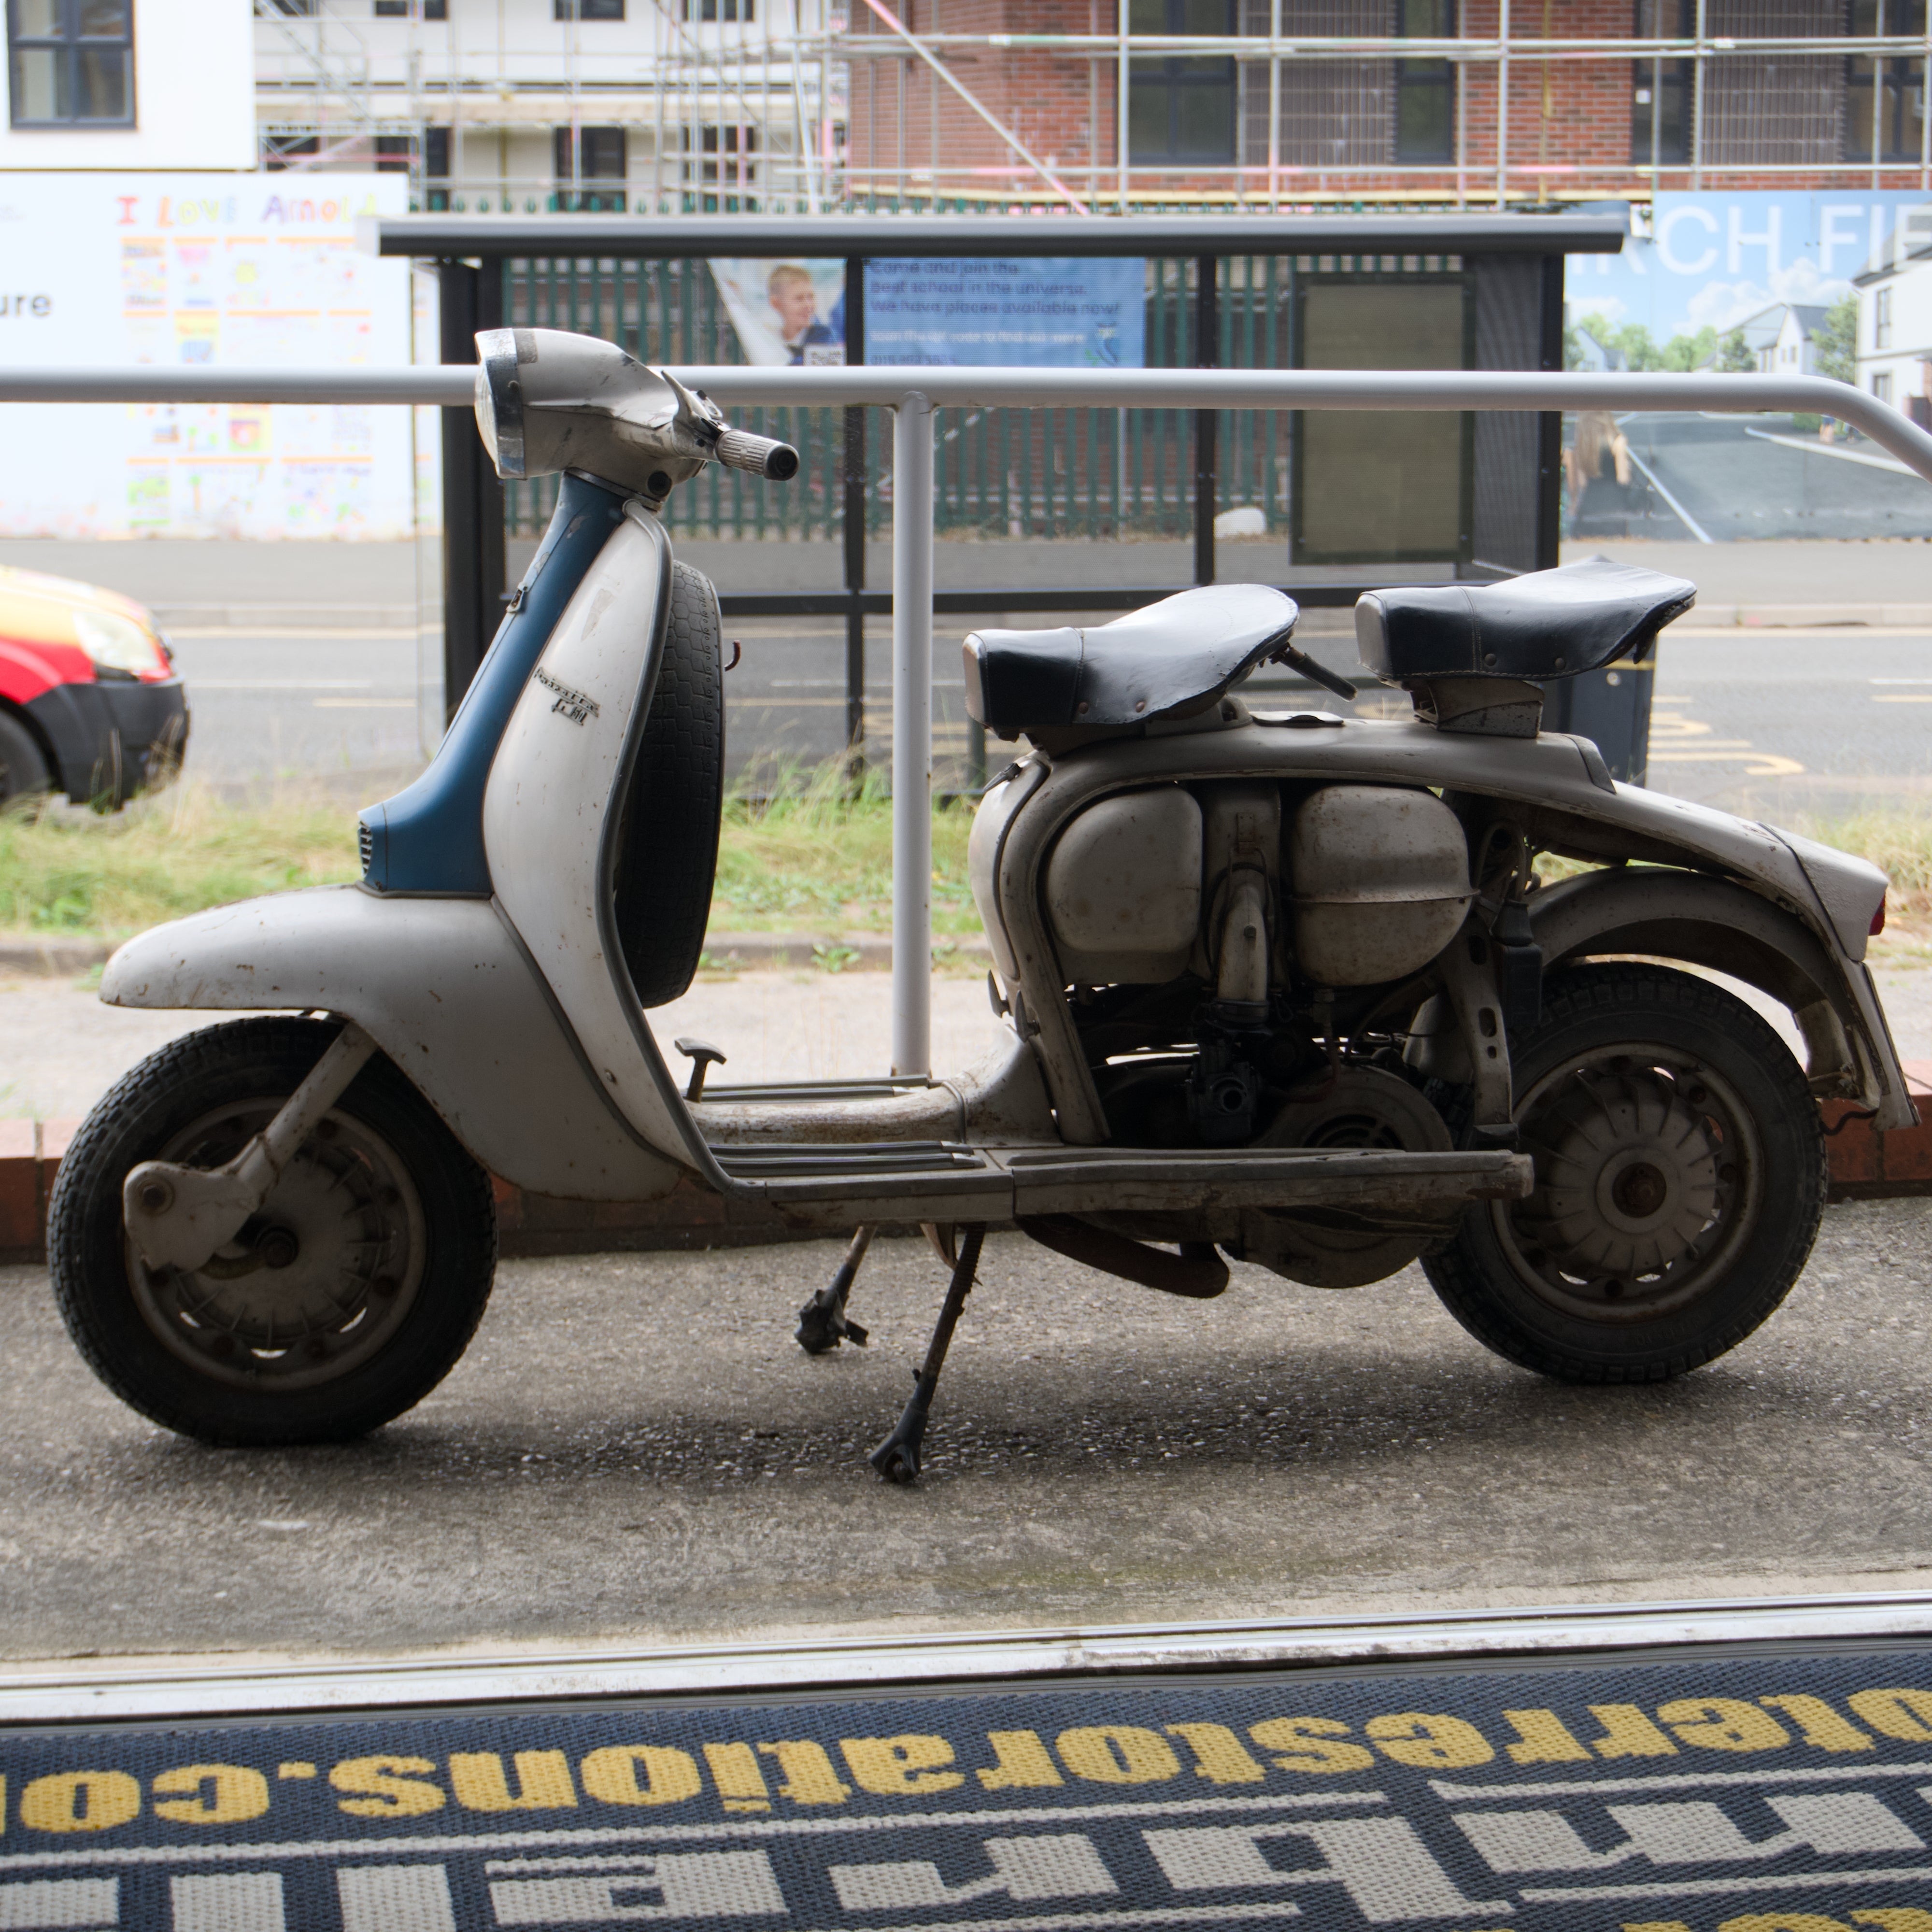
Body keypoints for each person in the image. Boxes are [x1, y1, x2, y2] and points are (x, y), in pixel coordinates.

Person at [767, 264, 839, 365]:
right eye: (799, 299)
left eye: (811, 297)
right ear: (776, 304)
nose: (808, 305)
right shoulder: (770, 339)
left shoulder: (825, 336)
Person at [1565, 409, 1632, 519]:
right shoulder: (1617, 442)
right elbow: (1623, 479)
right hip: (1615, 506)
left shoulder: (1581, 447)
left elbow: (1582, 483)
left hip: (1589, 507)